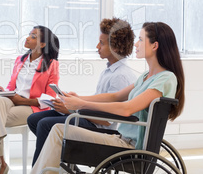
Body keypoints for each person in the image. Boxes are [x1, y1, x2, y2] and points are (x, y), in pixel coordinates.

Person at [30, 22, 185, 174]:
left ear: (154, 45)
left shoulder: (165, 79)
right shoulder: (146, 76)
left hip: (129, 146)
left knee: (58, 131)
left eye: (141, 39)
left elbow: (127, 108)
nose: (136, 44)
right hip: (122, 139)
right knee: (58, 129)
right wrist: (79, 98)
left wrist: (80, 104)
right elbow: (115, 96)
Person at [27, 18, 136, 165]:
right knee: (33, 120)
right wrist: (77, 99)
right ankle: (53, 160)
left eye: (101, 43)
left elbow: (108, 119)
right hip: (90, 119)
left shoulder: (120, 76)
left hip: (99, 128)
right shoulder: (109, 71)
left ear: (115, 47)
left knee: (45, 125)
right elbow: (101, 100)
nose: (97, 46)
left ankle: (42, 167)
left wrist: (73, 110)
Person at [0, 26, 60, 174]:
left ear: (43, 44)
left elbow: (50, 98)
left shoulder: (52, 64)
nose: (27, 38)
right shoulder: (20, 60)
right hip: (12, 100)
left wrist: (23, 101)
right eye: (29, 34)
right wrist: (4, 91)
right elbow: (11, 85)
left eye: (33, 36)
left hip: (31, 107)